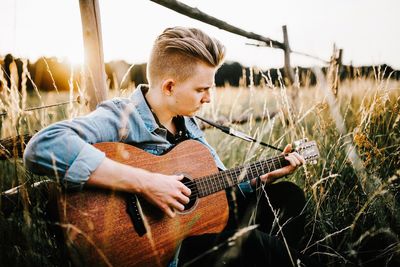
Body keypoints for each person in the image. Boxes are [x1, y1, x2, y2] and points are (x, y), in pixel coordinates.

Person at [24, 27, 315, 266]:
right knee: (257, 246)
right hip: (160, 251)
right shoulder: (120, 116)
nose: (208, 98)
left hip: (195, 227)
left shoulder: (187, 125)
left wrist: (265, 176)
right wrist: (147, 183)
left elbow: (213, 190)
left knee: (287, 198)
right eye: (202, 89)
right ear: (169, 87)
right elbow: (44, 145)